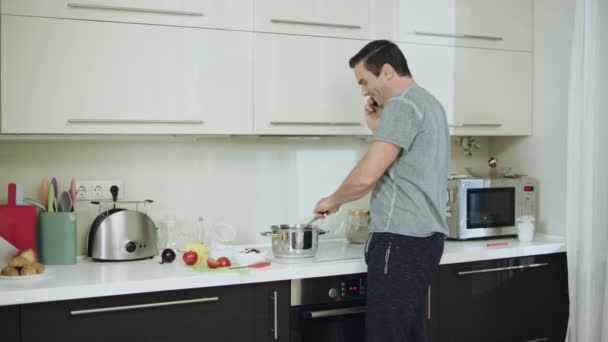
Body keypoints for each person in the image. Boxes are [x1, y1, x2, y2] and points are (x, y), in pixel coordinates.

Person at [313, 40, 449, 342]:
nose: (363, 91)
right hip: (427, 238)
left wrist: (332, 200)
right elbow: (409, 166)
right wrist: (380, 128)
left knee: (385, 335)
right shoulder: (428, 103)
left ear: (386, 71)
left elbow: (366, 177)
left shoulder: (401, 105)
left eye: (364, 81)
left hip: (399, 239)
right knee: (409, 333)